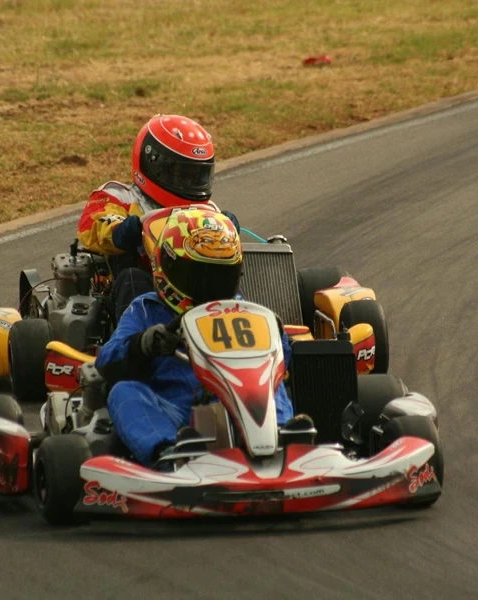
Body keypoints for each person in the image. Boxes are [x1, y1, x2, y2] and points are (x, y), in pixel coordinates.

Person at [95, 208, 310, 467]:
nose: (212, 287)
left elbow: (281, 362)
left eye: (222, 276)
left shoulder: (242, 309)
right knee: (123, 392)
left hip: (238, 401)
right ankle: (169, 454)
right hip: (174, 409)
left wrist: (276, 337)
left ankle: (283, 436)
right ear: (169, 267)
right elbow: (106, 361)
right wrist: (145, 345)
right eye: (201, 276)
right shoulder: (146, 309)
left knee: (269, 380)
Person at [76, 114, 239, 320]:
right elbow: (92, 229)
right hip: (141, 287)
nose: (188, 181)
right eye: (181, 172)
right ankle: (135, 341)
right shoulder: (117, 197)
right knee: (132, 277)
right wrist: (130, 229)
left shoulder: (207, 211)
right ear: (152, 163)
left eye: (197, 174)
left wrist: (228, 228)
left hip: (196, 288)